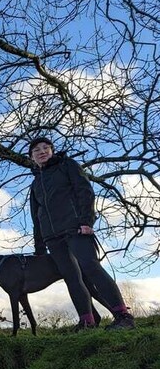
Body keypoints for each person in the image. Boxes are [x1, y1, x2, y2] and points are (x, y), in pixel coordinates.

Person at [29, 137, 135, 330]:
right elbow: (36, 216)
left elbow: (84, 190)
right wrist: (39, 246)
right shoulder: (35, 183)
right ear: (32, 157)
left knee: (90, 267)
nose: (42, 151)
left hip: (75, 228)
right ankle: (87, 321)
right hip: (52, 236)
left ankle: (123, 316)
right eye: (36, 150)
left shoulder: (67, 165)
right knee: (71, 277)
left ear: (52, 151)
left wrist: (87, 221)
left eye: (46, 148)